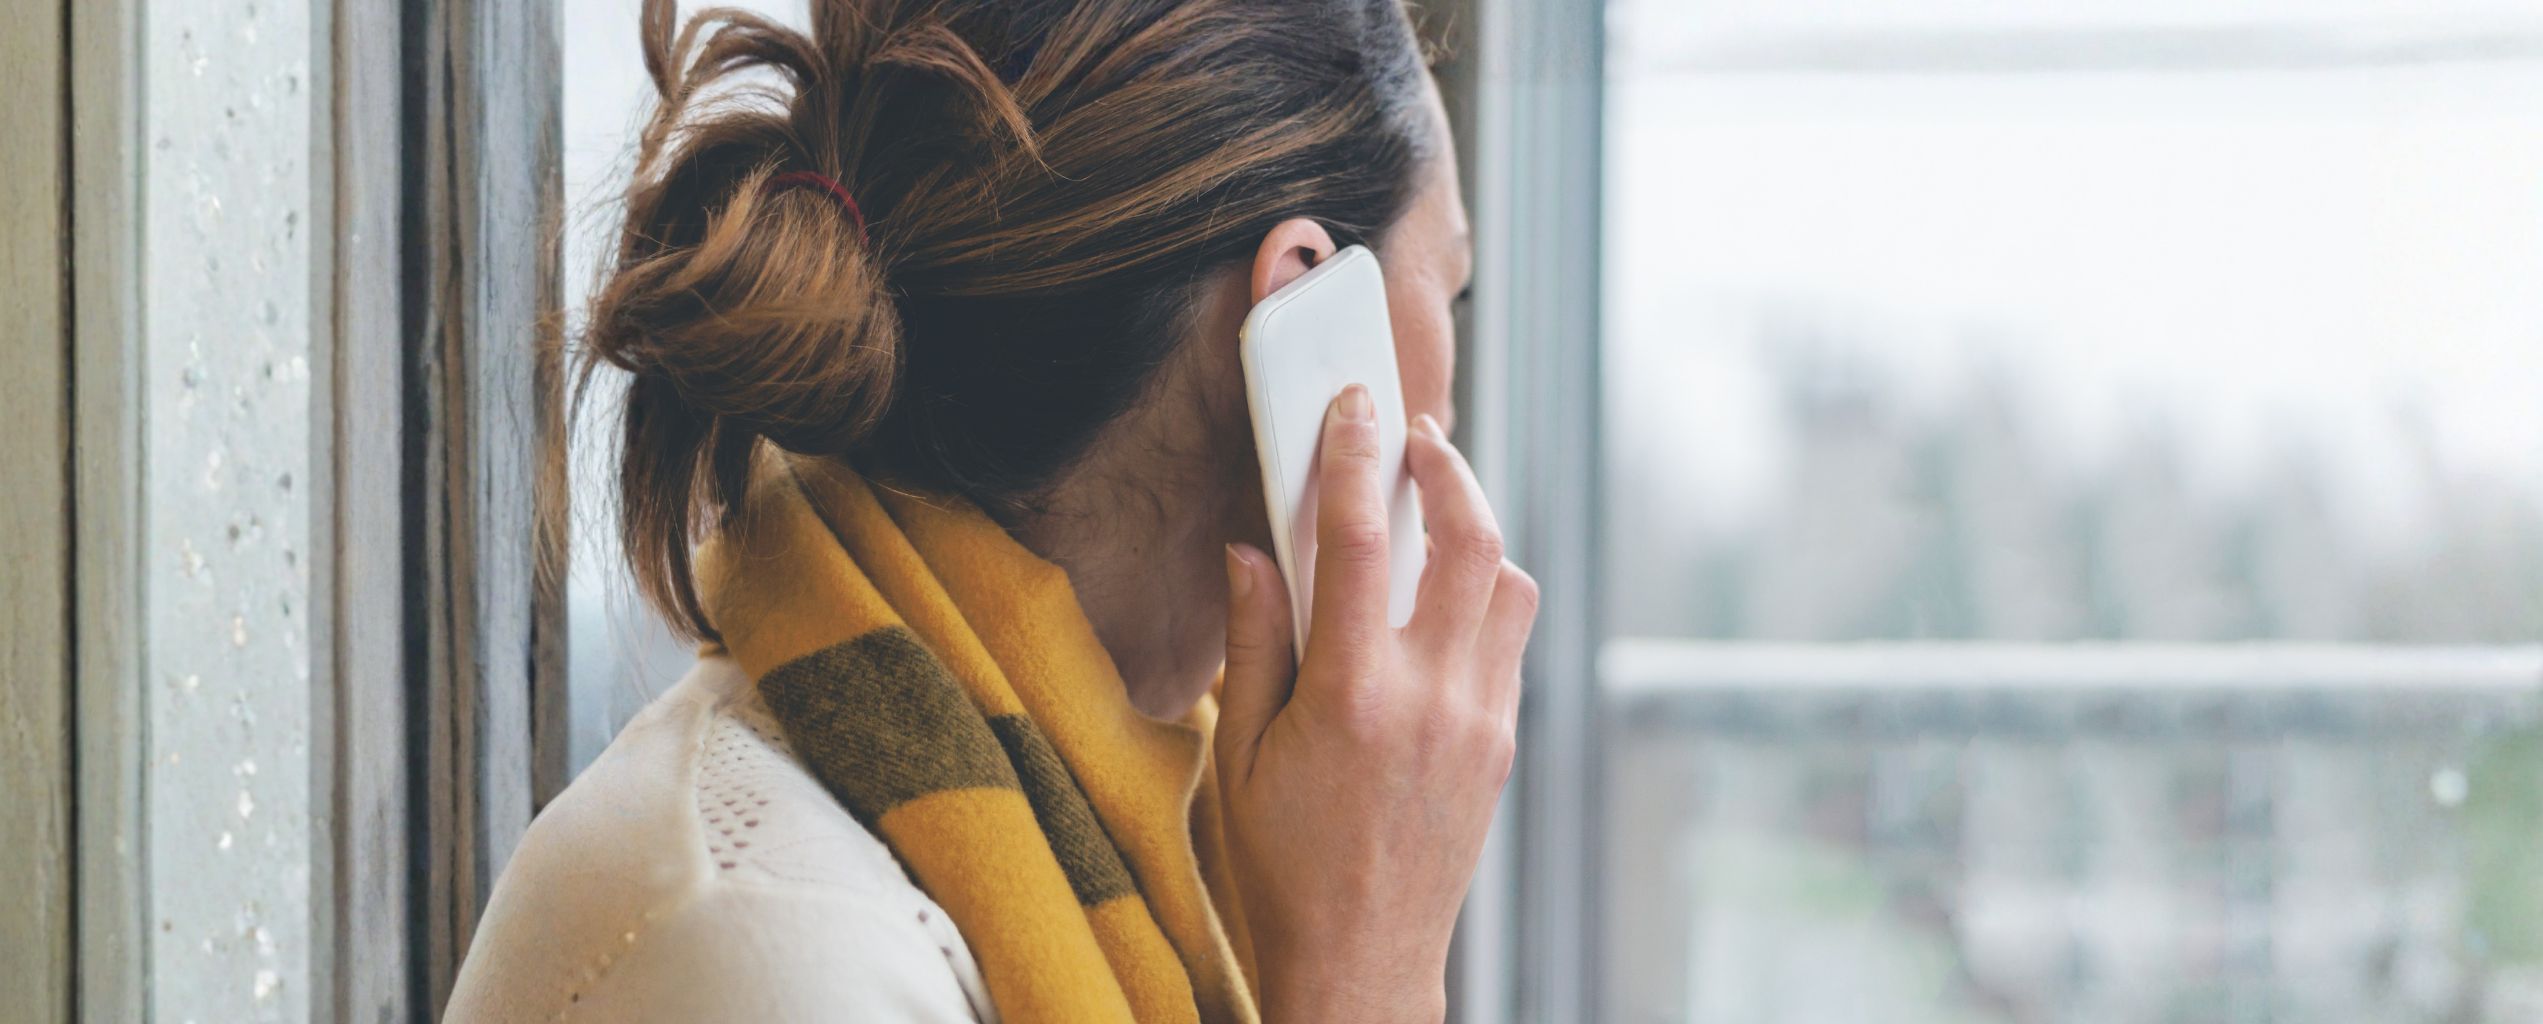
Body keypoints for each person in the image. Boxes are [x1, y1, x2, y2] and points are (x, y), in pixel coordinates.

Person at [445, 0, 1535, 1019]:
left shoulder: (1162, 825)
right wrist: (1364, 977)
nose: (1442, 404)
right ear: (1298, 298)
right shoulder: (773, 942)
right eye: (1452, 290)